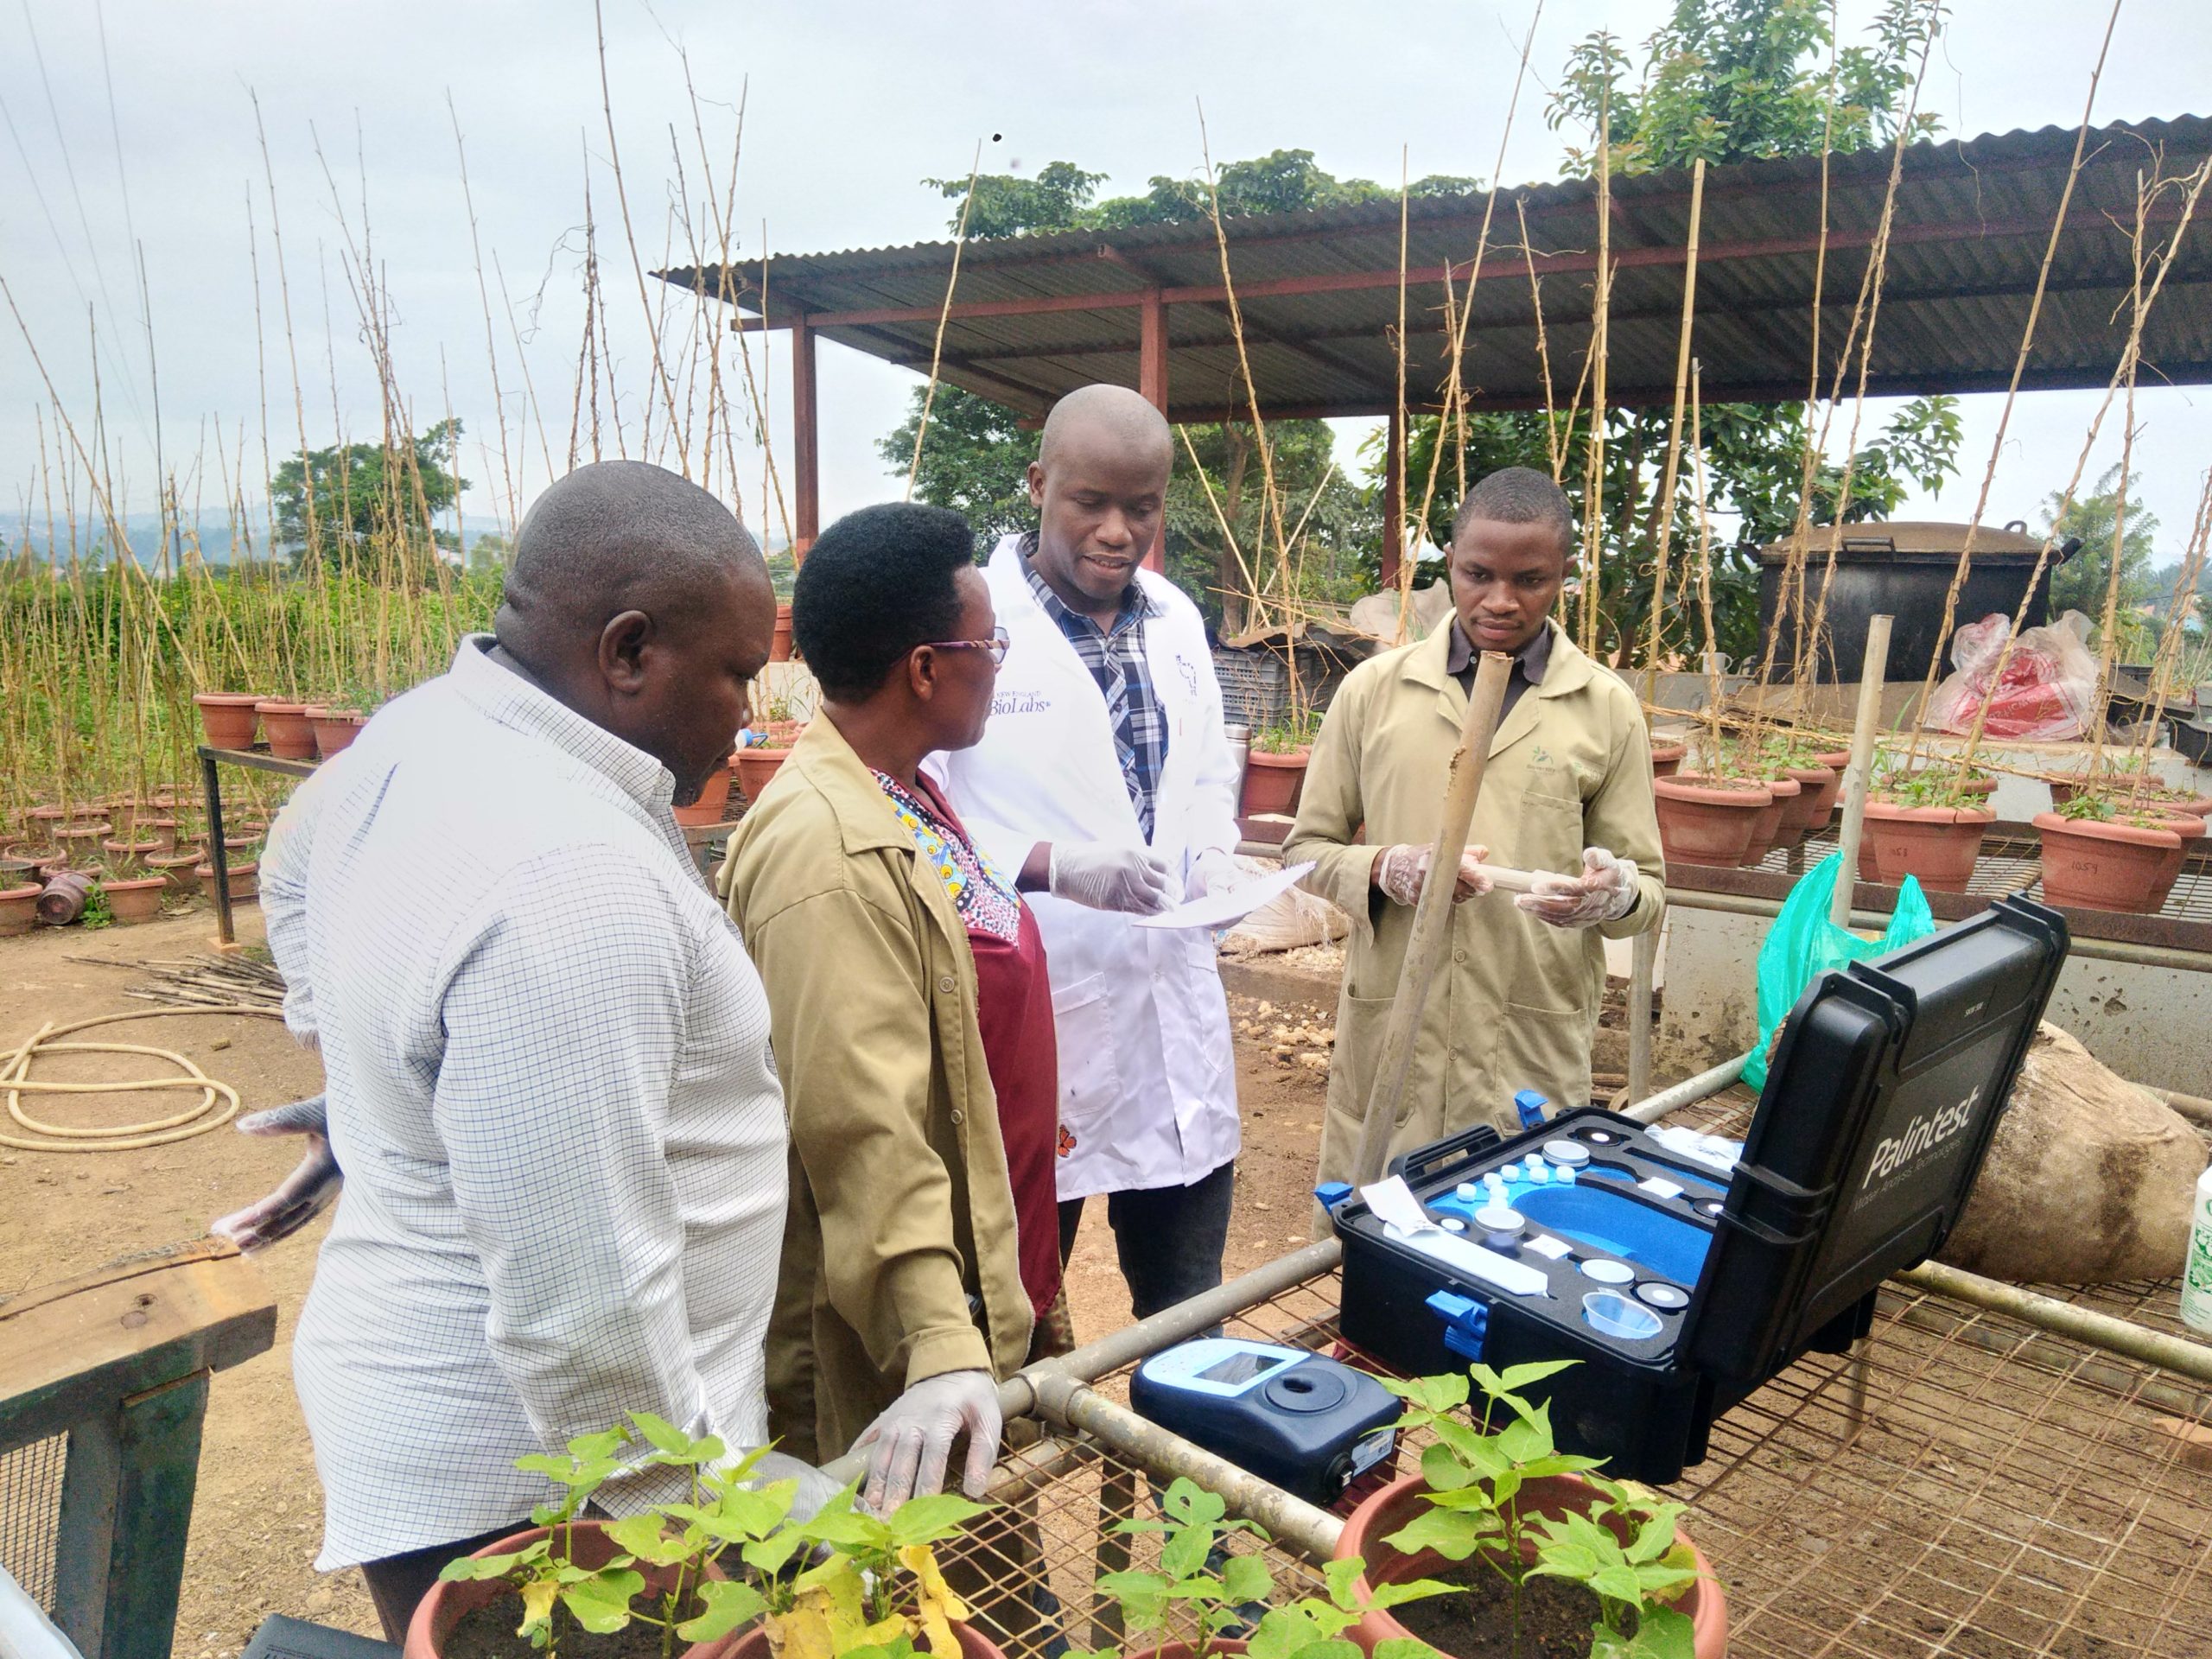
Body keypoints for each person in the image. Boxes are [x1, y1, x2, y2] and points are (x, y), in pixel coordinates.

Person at [210, 461, 827, 1640]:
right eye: (739, 674)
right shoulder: (567, 883)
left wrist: (368, 1076)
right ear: (629, 650)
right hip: (546, 1495)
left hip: (470, 1431)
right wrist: (689, 1541)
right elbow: (583, 1315)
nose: (747, 716)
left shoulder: (424, 736)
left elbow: (291, 865)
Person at [720, 502, 1065, 1516]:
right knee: (912, 1591)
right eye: (989, 644)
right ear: (925, 668)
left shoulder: (899, 791)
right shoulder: (825, 851)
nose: (998, 663)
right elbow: (858, 1124)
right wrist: (940, 1346)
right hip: (903, 1325)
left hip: (981, 1259)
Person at [928, 384, 1246, 1323]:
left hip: (1174, 1010)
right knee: (1013, 1314)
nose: (1117, 531)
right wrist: (1049, 864)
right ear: (1037, 484)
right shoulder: (968, 632)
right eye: (1090, 503)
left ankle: (1178, 1472)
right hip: (1037, 1010)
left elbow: (1201, 773)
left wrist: (1216, 855)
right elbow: (906, 812)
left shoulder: (1177, 619)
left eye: (1141, 508)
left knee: (1190, 1321)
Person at [1286, 467, 1665, 1183]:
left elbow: (1647, 893)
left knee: (1516, 1250)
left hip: (1528, 1042)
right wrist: (1385, 867)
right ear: (1449, 562)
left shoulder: (1605, 709)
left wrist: (1611, 896)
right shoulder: (1375, 693)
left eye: (1531, 580)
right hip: (1397, 1032)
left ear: (1564, 577)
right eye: (1477, 573)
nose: (1500, 600)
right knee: (1375, 1241)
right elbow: (1306, 849)